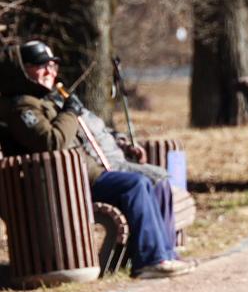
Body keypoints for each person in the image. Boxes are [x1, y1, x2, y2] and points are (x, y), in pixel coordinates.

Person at [0, 41, 194, 279]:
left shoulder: (44, 101)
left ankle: (163, 255)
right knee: (135, 184)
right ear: (23, 69)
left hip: (78, 177)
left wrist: (117, 143)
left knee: (150, 179)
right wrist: (70, 112)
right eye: (42, 66)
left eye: (53, 66)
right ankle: (151, 260)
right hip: (62, 185)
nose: (51, 71)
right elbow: (51, 142)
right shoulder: (22, 107)